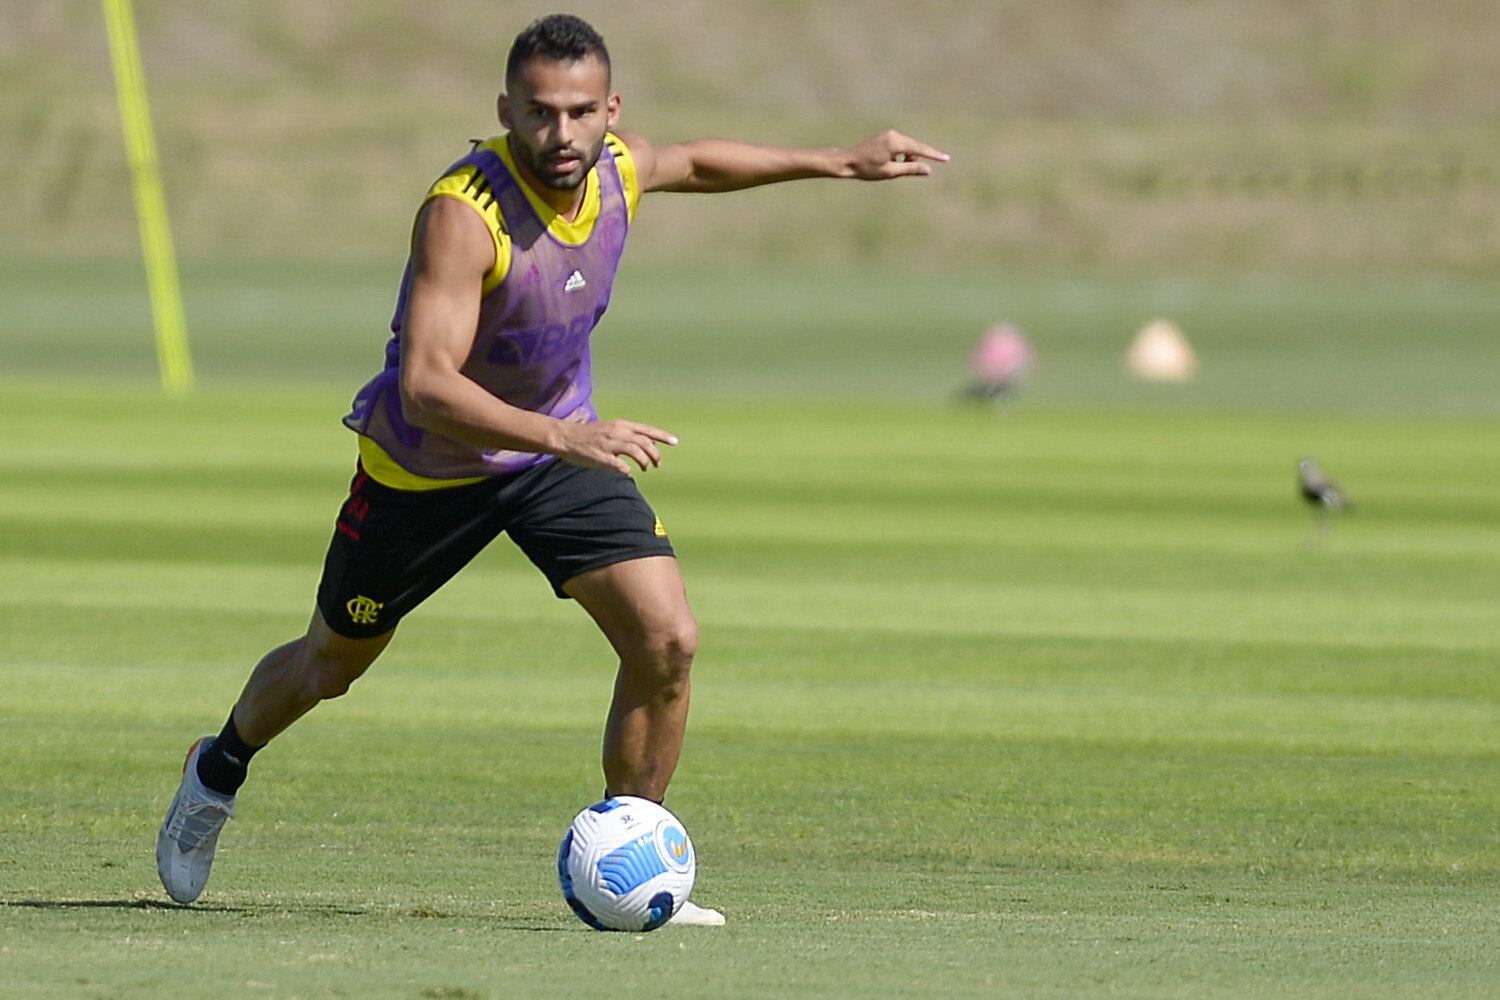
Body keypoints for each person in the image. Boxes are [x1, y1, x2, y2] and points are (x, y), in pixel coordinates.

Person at [156, 13, 948, 924]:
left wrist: (841, 162)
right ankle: (215, 771)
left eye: (580, 112)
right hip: (427, 473)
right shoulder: (463, 215)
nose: (561, 133)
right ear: (506, 111)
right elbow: (425, 385)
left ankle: (636, 858)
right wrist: (564, 437)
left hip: (557, 450)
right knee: (328, 665)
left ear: (611, 110)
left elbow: (694, 162)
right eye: (539, 112)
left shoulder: (618, 169)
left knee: (667, 640)